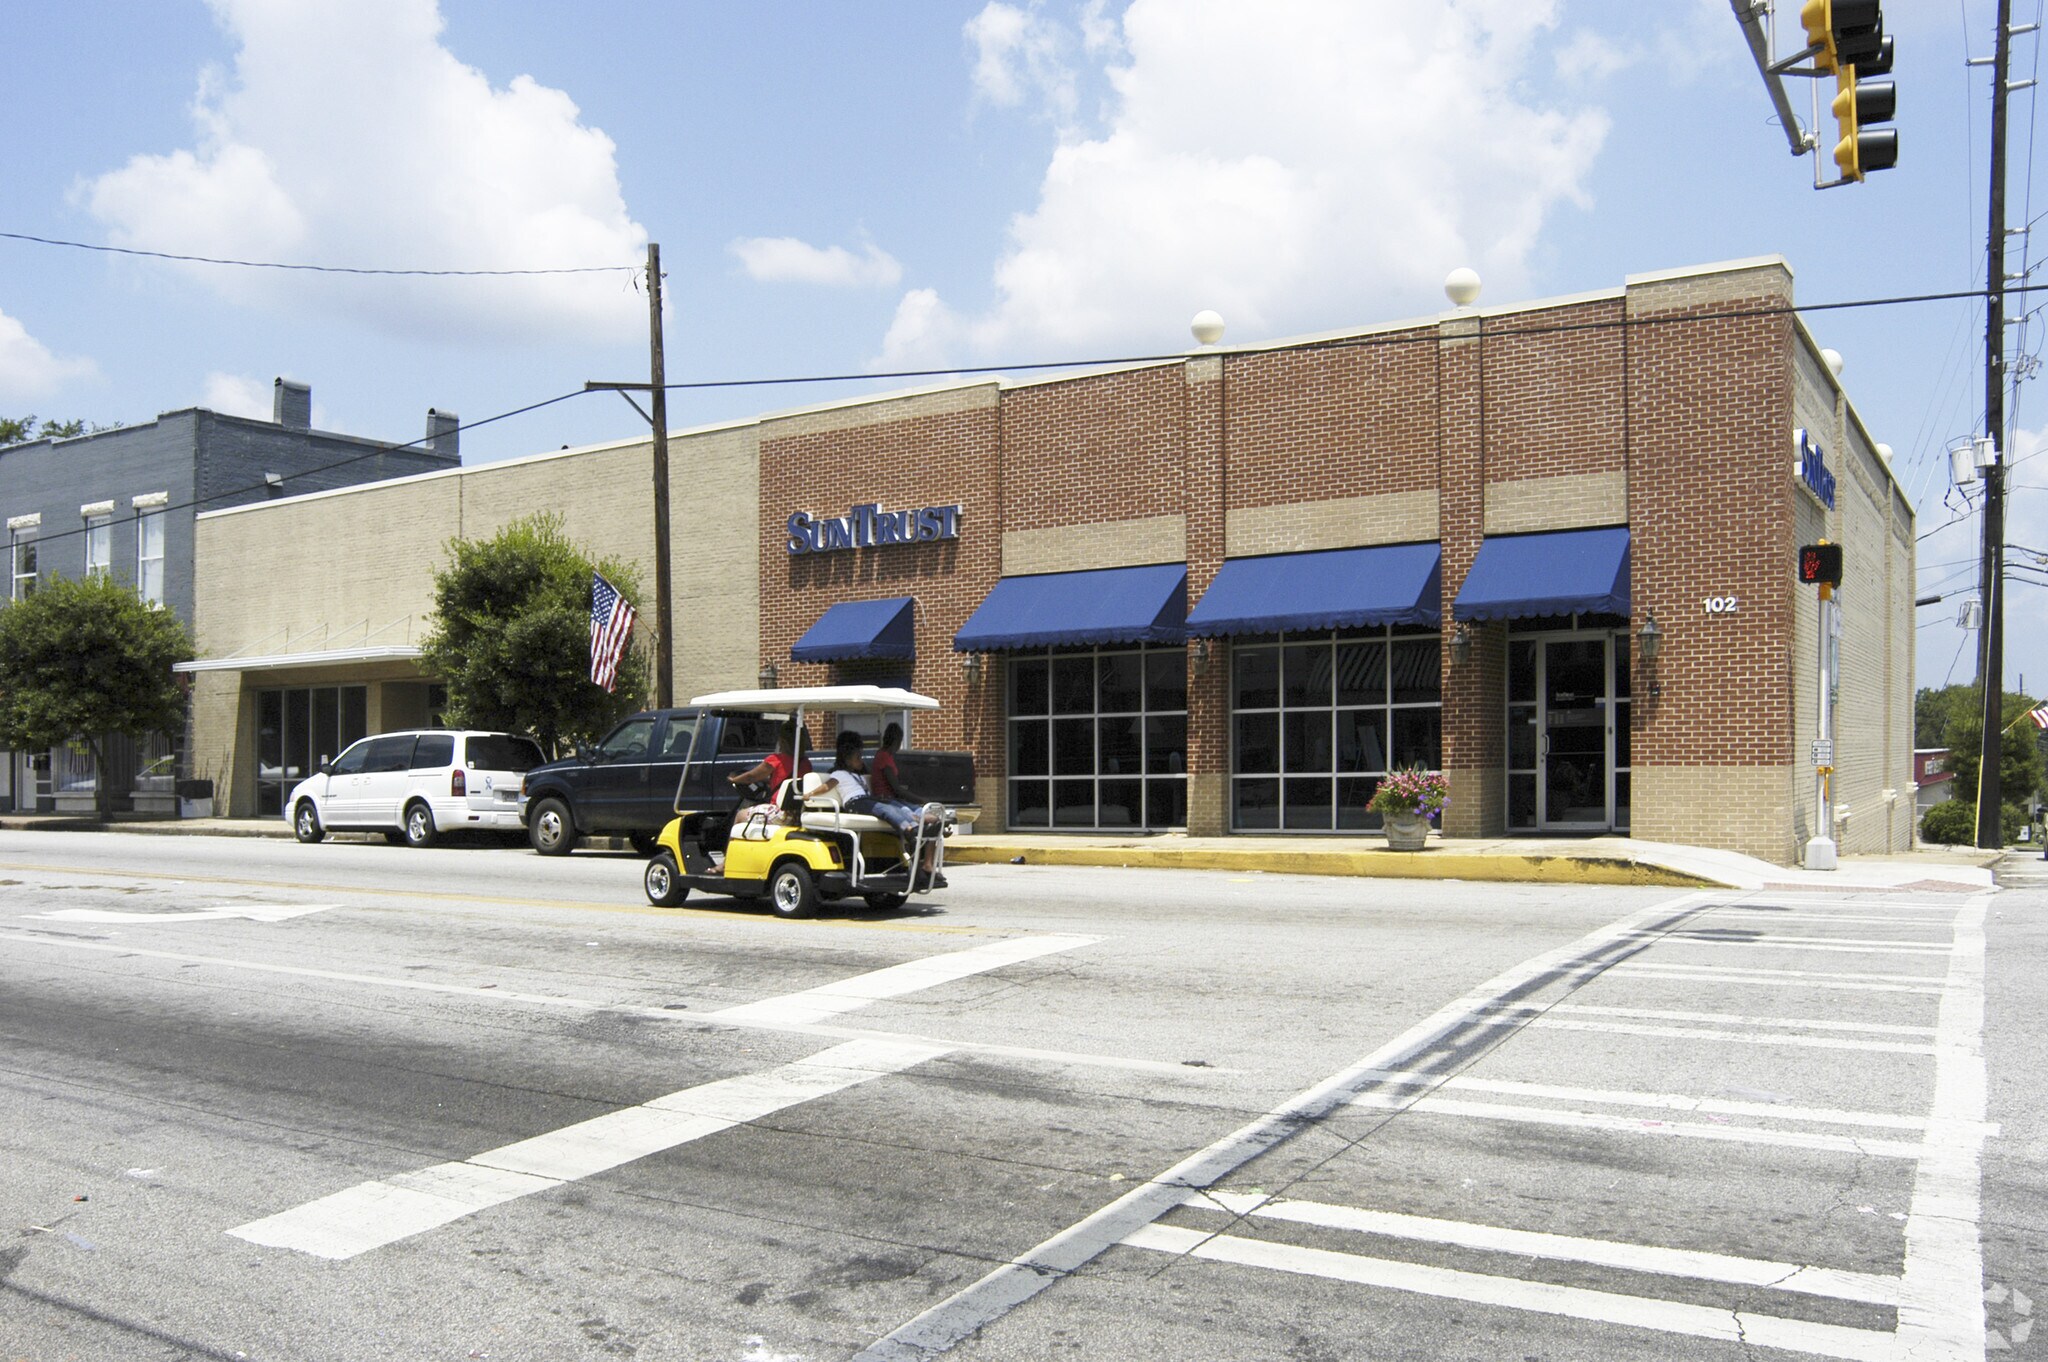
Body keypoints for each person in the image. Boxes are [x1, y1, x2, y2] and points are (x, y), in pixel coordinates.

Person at [825, 730, 940, 872]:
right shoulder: (839, 773)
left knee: (898, 809)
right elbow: (829, 786)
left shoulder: (858, 772)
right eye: (858, 756)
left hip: (871, 801)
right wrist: (810, 793)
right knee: (892, 809)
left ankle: (925, 835)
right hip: (860, 804)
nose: (861, 759)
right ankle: (914, 830)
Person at [727, 720, 812, 798]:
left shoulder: (775, 760)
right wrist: (767, 780)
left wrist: (733, 780)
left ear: (782, 741)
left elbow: (751, 777)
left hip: (777, 805)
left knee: (741, 814)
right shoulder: (805, 762)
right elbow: (786, 779)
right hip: (794, 806)